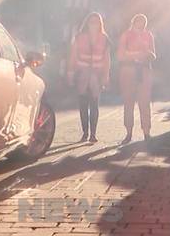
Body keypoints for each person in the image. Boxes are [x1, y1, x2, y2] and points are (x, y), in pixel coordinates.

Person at [67, 12, 111, 143]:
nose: (94, 24)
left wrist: (106, 75)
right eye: (91, 22)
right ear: (87, 23)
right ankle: (85, 132)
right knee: (83, 104)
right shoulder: (79, 37)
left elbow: (107, 59)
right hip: (82, 74)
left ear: (100, 24)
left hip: (97, 75)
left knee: (94, 104)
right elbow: (73, 56)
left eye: (96, 22)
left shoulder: (104, 38)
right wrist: (70, 73)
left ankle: (93, 134)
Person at [117, 13, 156, 145]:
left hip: (144, 71)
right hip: (129, 71)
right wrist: (138, 54)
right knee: (128, 103)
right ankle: (128, 133)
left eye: (144, 22)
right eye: (139, 21)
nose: (142, 24)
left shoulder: (148, 35)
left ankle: (146, 132)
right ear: (134, 22)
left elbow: (153, 54)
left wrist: (148, 54)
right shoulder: (126, 35)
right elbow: (121, 55)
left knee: (145, 103)